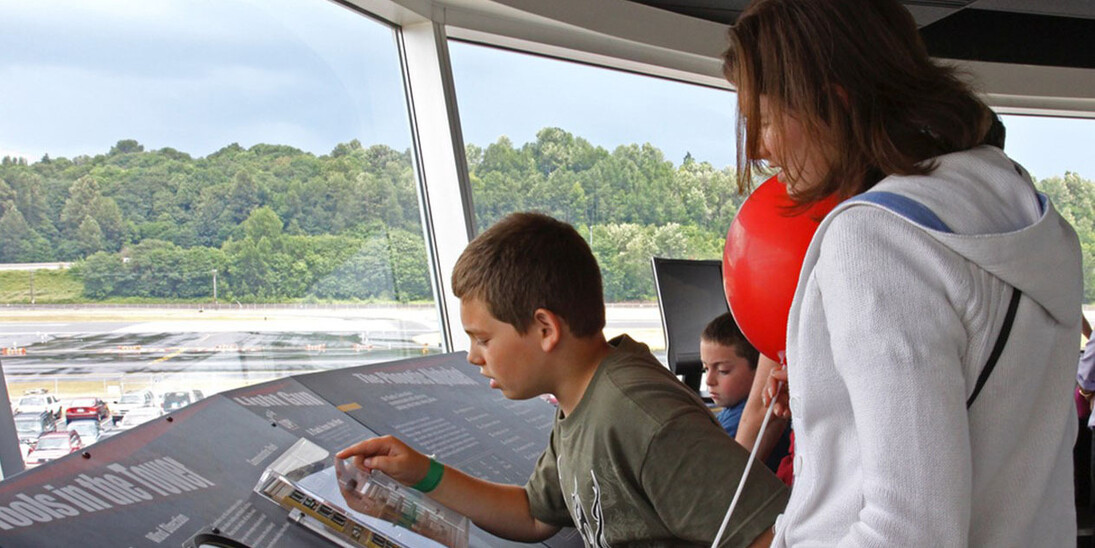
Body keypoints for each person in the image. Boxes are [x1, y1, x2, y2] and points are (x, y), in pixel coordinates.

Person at [723, 0, 1082, 545]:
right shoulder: (1021, 209)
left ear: (833, 100)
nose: (760, 148)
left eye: (766, 120)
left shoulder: (875, 241)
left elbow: (908, 530)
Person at [337, 212, 789, 547]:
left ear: (545, 329)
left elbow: (767, 535)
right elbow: (535, 515)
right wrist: (421, 471)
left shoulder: (641, 415)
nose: (473, 357)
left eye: (483, 339)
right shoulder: (580, 400)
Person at [701, 312, 759, 438]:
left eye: (723, 371)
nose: (709, 381)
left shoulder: (738, 423)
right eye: (705, 368)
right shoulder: (732, 410)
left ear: (759, 369)